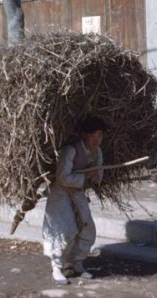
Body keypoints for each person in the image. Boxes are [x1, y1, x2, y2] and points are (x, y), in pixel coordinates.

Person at [42, 116, 106, 285]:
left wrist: (95, 176)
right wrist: (85, 176)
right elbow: (62, 177)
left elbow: (98, 177)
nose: (97, 139)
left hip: (78, 193)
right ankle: (57, 266)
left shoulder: (97, 152)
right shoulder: (71, 150)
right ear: (84, 134)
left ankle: (76, 263)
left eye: (100, 135)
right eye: (93, 135)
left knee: (87, 228)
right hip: (60, 194)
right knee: (64, 229)